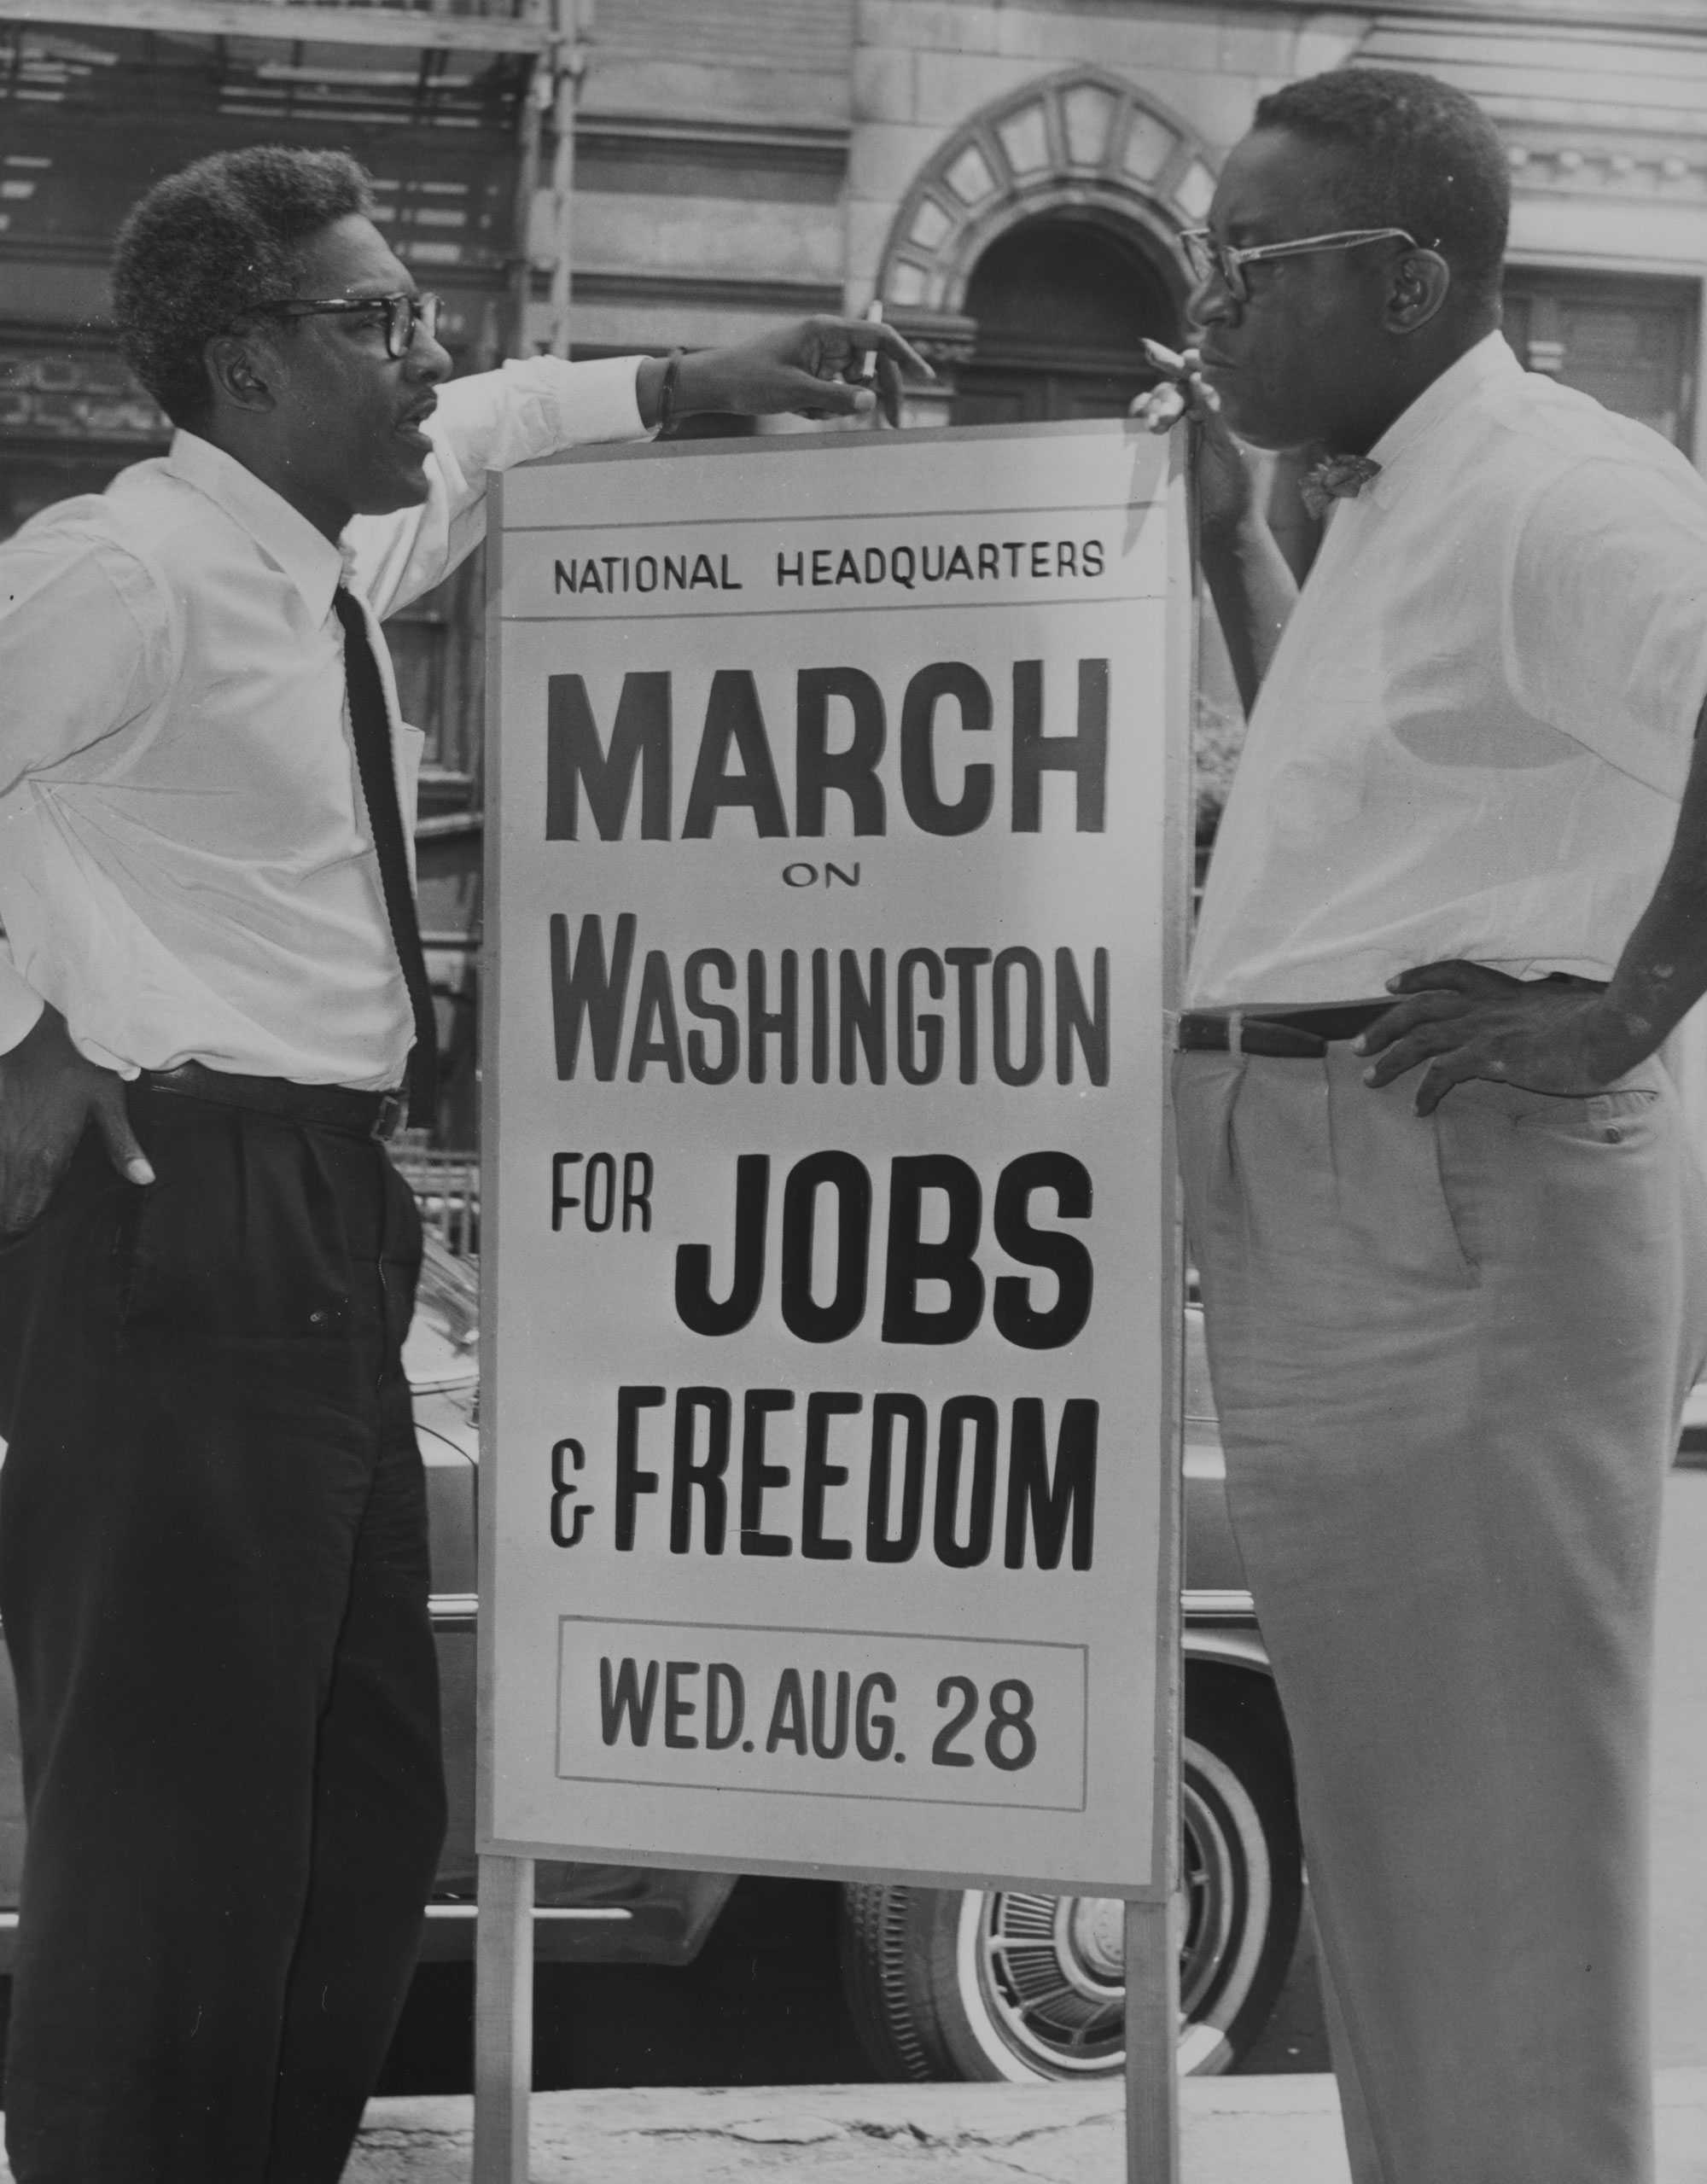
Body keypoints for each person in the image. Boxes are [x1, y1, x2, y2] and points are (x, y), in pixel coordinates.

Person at [0, 143, 925, 2184]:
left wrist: (689, 382)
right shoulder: (118, 572)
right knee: (170, 1825)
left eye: (417, 311)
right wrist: (25, 1034)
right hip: (177, 1213)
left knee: (353, 1802)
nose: (432, 352)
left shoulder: (317, 559)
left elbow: (495, 429)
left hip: (320, 1211)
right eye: (376, 319)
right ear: (245, 364)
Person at [1147, 67, 1707, 2184]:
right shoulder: (1386, 493)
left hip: (1452, 1201)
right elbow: (1392, 799)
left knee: (1500, 1857)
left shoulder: (1566, 487)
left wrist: (1626, 1005)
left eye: (1250, 266)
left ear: (1401, 275)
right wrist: (1225, 554)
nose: (1210, 309)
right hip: (1347, 1198)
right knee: (1396, 1840)